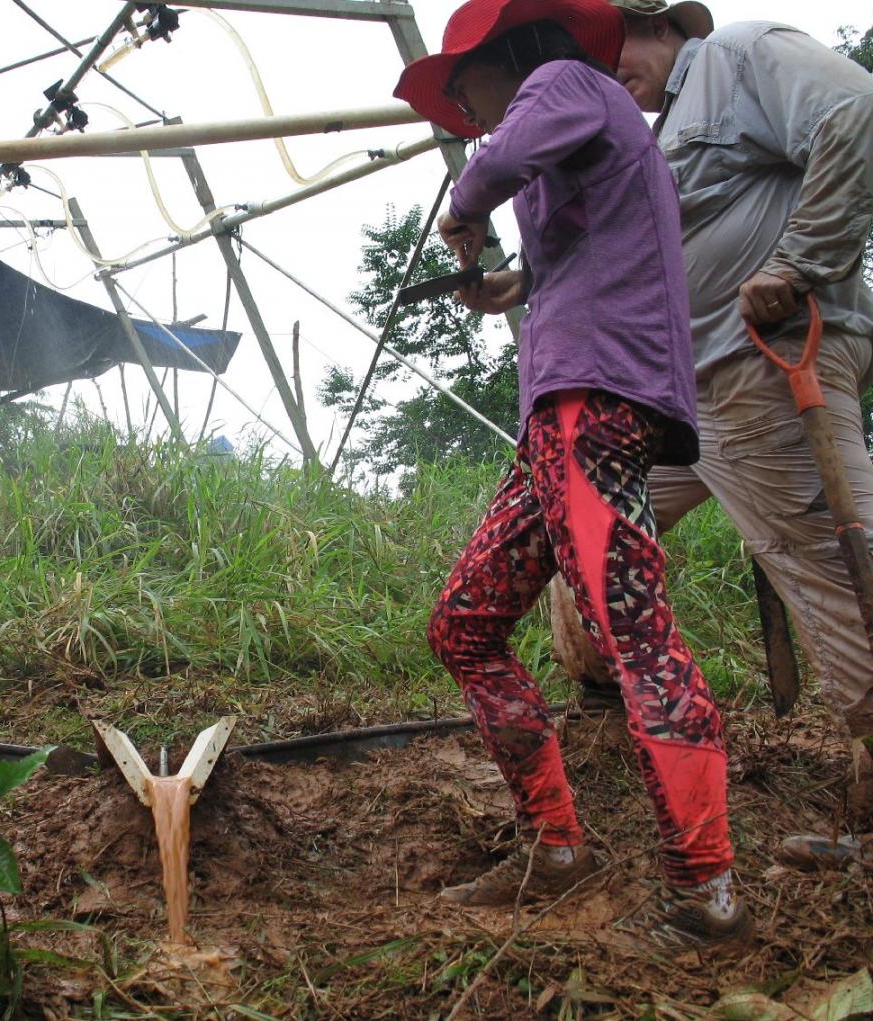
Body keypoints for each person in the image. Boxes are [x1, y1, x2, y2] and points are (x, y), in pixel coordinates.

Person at [394, 0, 750, 950]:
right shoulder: (582, 117)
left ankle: (706, 893)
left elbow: (502, 158)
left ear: (507, 56)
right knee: (465, 623)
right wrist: (514, 283)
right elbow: (588, 251)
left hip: (594, 400)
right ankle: (555, 846)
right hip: (557, 417)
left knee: (630, 630)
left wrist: (464, 205)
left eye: (462, 86)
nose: (464, 112)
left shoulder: (565, 84)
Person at [603, 0, 873, 868]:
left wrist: (797, 262)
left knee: (838, 581)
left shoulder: (738, 54)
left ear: (657, 23)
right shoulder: (660, 130)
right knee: (586, 531)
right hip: (686, 402)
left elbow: (854, 113)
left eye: (612, 48)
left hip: (764, 369)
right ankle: (604, 734)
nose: (607, 73)